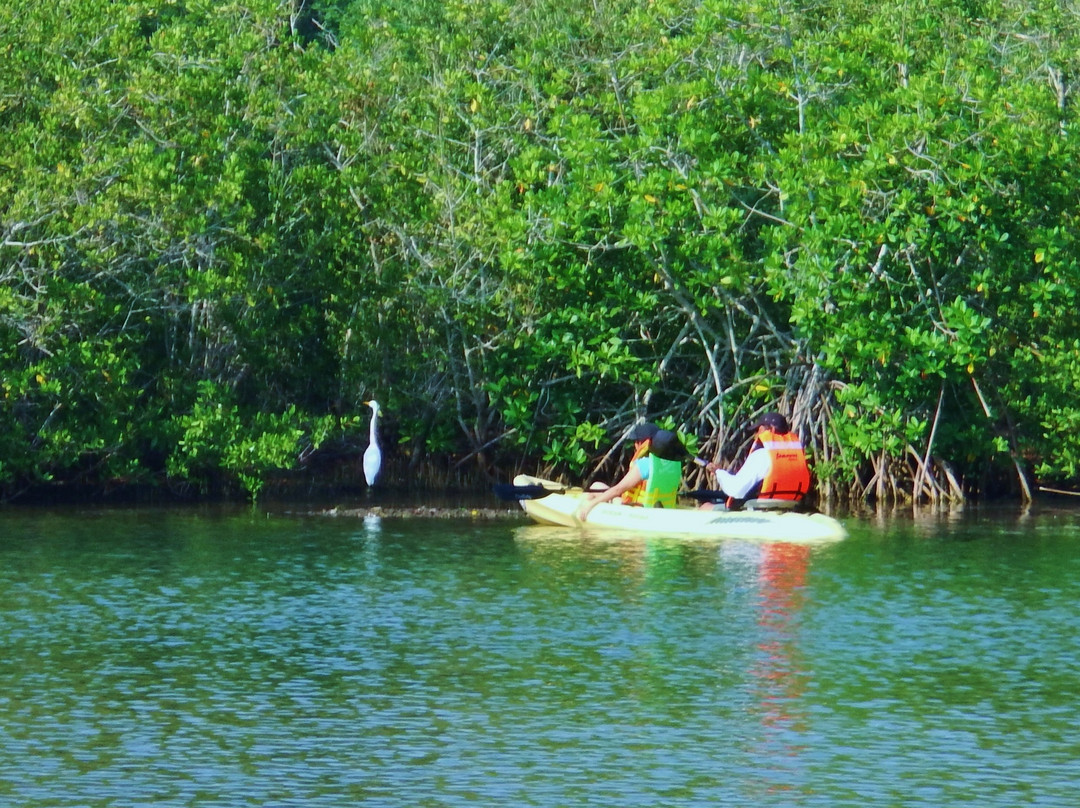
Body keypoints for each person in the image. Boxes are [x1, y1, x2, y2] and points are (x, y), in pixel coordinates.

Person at [706, 412, 811, 509]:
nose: (755, 435)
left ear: (767, 430)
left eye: (757, 430)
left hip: (759, 508)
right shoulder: (798, 454)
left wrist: (719, 472)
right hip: (789, 506)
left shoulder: (761, 455)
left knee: (706, 506)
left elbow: (736, 490)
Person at [577, 428, 687, 521]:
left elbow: (618, 490)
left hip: (640, 512)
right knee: (597, 486)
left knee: (587, 496)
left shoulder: (645, 464)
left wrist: (590, 505)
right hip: (663, 510)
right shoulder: (675, 466)